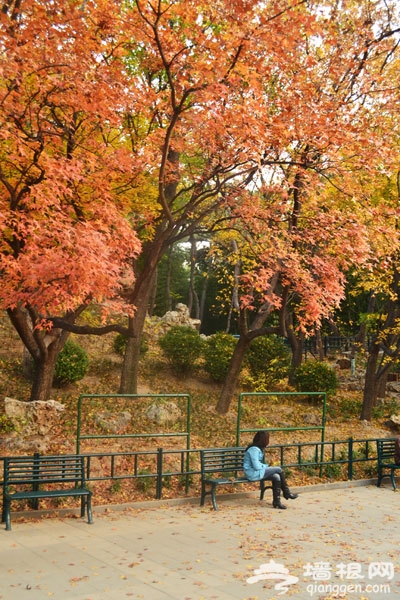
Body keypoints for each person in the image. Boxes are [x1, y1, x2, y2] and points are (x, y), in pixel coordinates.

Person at [243, 430, 298, 510]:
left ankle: (277, 501)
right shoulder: (254, 450)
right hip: (253, 473)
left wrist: (265, 466)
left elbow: (258, 465)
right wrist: (265, 466)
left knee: (276, 476)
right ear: (264, 440)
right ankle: (287, 493)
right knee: (278, 469)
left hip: (257, 472)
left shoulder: (257, 448)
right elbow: (256, 466)